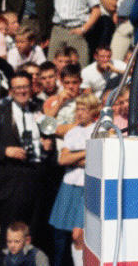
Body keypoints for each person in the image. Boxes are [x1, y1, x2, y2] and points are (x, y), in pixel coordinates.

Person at [0, 73, 53, 252]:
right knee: (12, 236)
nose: (22, 91)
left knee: (34, 235)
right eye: (18, 88)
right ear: (11, 91)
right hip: (11, 183)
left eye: (25, 87)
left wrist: (49, 144)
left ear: (31, 88)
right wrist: (5, 151)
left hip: (37, 180)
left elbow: (50, 134)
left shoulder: (39, 109)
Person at [48, 93, 98, 266]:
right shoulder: (72, 132)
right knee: (61, 233)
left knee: (78, 235)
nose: (80, 113)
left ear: (93, 111)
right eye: (78, 109)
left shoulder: (99, 130)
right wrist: (87, 151)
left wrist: (74, 157)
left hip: (88, 186)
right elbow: (63, 160)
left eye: (84, 109)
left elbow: (97, 161)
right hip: (69, 184)